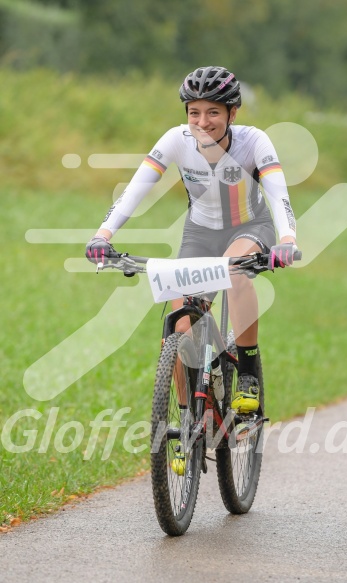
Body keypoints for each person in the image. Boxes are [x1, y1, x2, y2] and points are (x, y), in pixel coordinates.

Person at [86, 65, 297, 415]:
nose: (202, 121)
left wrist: (287, 239)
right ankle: (188, 422)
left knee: (234, 272)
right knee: (180, 329)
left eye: (213, 112)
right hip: (199, 233)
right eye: (194, 112)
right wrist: (102, 235)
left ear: (233, 112)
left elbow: (278, 194)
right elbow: (135, 190)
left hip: (248, 228)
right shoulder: (175, 140)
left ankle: (247, 373)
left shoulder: (254, 141)